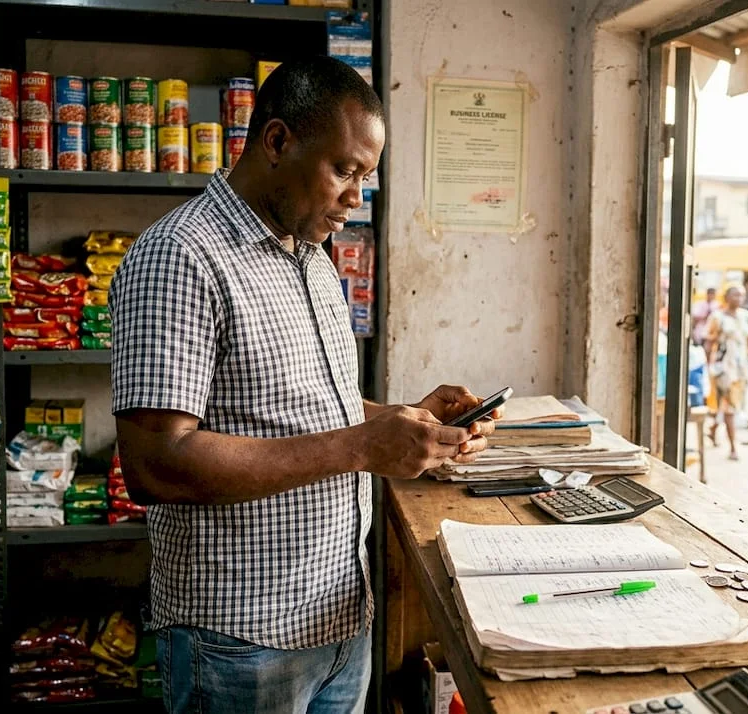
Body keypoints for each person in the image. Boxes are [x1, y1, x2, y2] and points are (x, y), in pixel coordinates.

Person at [109, 57, 497, 714]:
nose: (356, 197)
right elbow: (156, 463)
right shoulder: (181, 257)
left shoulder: (311, 259)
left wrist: (411, 417)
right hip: (241, 637)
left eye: (365, 178)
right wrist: (362, 447)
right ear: (278, 141)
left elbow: (306, 404)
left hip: (338, 621)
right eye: (344, 170)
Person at [705, 284, 748, 461]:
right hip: (721, 369)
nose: (739, 299)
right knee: (729, 407)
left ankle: (713, 429)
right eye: (735, 295)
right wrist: (706, 368)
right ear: (727, 297)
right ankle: (733, 447)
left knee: (730, 405)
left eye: (742, 296)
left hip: (740, 369)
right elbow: (709, 343)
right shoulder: (717, 317)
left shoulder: (746, 317)